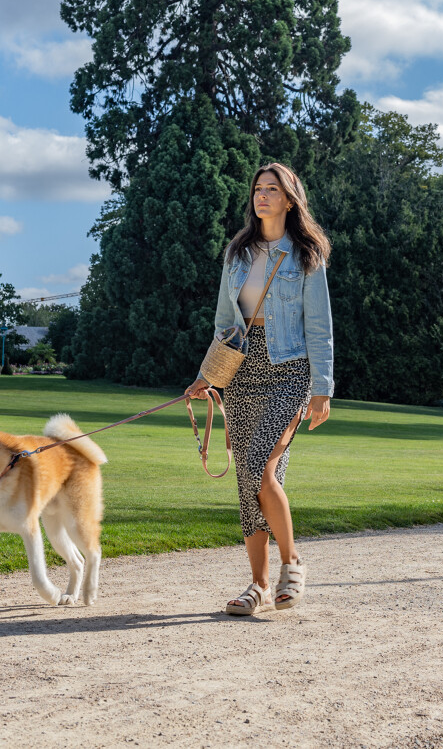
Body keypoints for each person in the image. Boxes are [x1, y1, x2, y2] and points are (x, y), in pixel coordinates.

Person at [186, 161, 333, 615]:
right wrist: (206, 377)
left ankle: (292, 565)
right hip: (243, 373)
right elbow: (224, 323)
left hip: (290, 370)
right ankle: (259, 586)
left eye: (272, 189)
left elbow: (320, 326)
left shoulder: (306, 255)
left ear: (290, 199)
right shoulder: (237, 254)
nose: (262, 196)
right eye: (258, 189)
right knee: (248, 480)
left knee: (259, 467)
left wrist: (322, 387)